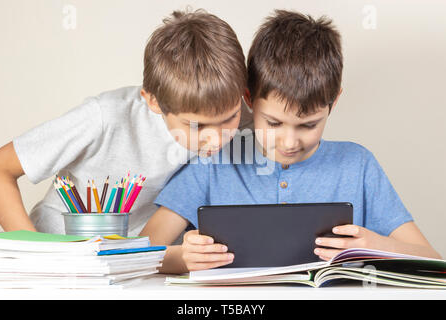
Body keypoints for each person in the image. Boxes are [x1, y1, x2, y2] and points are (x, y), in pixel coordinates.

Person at [141, 10, 441, 274]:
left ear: (333, 103)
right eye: (273, 123)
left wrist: (374, 246)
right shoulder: (212, 162)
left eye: (309, 124)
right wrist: (184, 257)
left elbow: (432, 259)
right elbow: (141, 252)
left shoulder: (358, 164)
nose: (289, 142)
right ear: (248, 99)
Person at [0, 9, 252, 236]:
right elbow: (0, 169)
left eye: (230, 117)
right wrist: (36, 251)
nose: (218, 139)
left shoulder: (251, 122)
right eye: (197, 126)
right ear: (153, 102)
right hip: (60, 252)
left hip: (138, 264)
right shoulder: (105, 117)